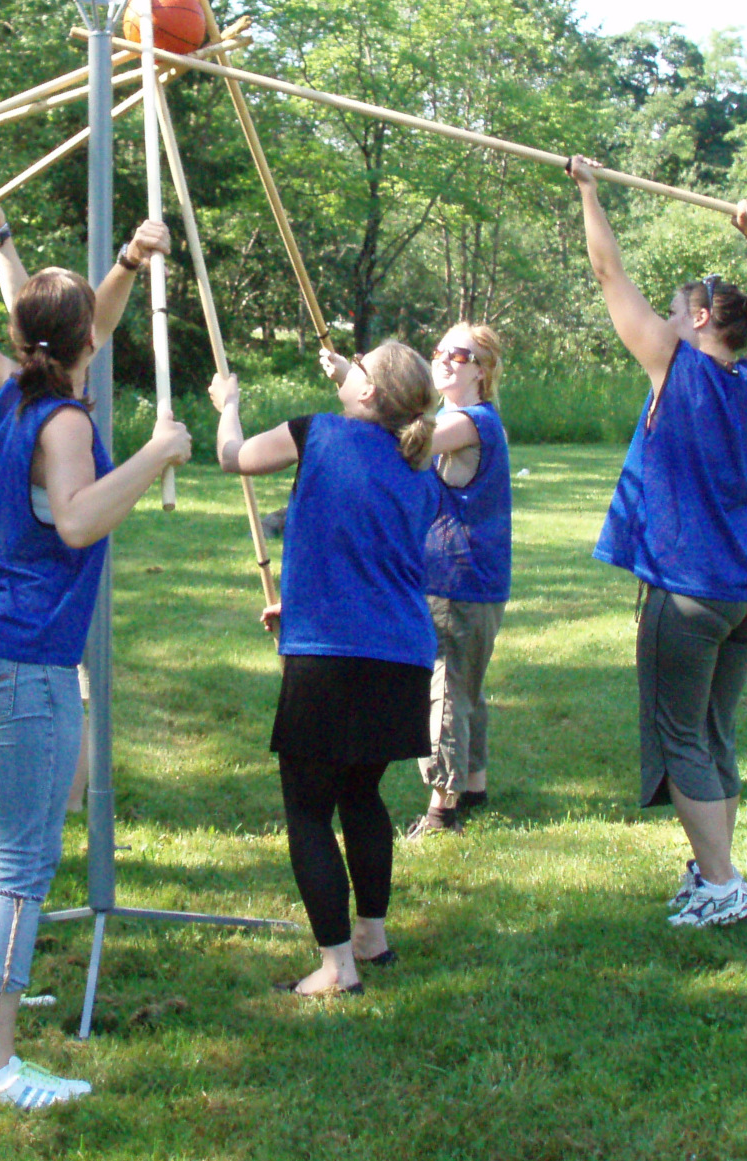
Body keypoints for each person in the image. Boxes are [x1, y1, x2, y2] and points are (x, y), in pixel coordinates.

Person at [0, 197, 187, 1109]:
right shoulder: (69, 420)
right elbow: (80, 521)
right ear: (83, 338)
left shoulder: (20, 387)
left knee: (2, 841)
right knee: (23, 860)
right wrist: (157, 454)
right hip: (28, 655)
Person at [567, 156, 747, 927]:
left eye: (676, 310)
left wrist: (588, 189)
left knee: (682, 735)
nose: (666, 319)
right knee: (711, 731)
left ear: (701, 321)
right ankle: (711, 870)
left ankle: (721, 882)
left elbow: (609, 275)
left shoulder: (675, 367)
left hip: (690, 594)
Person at [210, 342, 438, 997]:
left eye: (358, 367)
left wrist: (230, 406)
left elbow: (234, 458)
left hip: (335, 654)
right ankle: (372, 935)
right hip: (398, 653)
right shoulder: (416, 461)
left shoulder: (318, 431)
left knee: (308, 809)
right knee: (361, 794)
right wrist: (301, 602)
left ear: (369, 393)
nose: (348, 371)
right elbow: (366, 546)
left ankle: (337, 966)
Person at [329, 320, 511, 838]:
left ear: (483, 370)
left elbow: (404, 439)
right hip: (469, 580)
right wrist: (356, 378)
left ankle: (442, 810)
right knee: (466, 685)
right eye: (440, 350)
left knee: (448, 689)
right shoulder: (458, 417)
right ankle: (473, 788)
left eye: (460, 354)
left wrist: (357, 384)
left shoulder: (472, 422)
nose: (446, 359)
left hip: (459, 580)